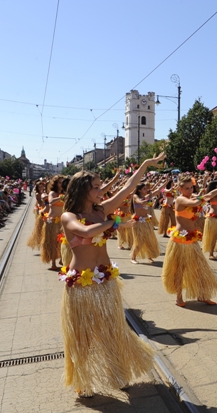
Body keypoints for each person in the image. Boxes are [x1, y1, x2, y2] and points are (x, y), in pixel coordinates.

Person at [58, 152, 165, 398]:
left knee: (111, 330)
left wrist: (146, 165)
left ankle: (115, 373)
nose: (101, 190)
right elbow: (84, 231)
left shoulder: (101, 210)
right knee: (83, 336)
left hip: (104, 282)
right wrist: (115, 224)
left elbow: (128, 189)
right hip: (81, 286)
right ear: (82, 190)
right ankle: (83, 379)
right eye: (96, 187)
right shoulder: (69, 216)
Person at [161, 175, 217, 307]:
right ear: (180, 188)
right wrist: (202, 197)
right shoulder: (180, 199)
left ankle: (202, 295)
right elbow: (195, 203)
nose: (190, 190)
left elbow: (209, 194)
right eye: (187, 188)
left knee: (200, 268)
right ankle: (178, 297)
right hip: (181, 238)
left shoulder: (192, 196)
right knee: (180, 269)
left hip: (191, 238)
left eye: (191, 187)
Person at [130, 183, 161, 263]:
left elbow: (157, 190)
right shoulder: (135, 196)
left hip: (146, 221)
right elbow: (140, 202)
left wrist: (166, 182)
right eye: (144, 189)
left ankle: (149, 256)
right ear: (139, 190)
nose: (146, 190)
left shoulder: (144, 197)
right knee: (139, 240)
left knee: (149, 239)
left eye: (146, 189)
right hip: (138, 222)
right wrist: (150, 197)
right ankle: (133, 258)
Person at [42, 175, 64, 270]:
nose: (61, 184)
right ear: (55, 184)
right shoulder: (52, 193)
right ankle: (53, 263)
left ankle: (62, 259)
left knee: (63, 241)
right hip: (52, 221)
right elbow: (51, 202)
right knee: (53, 242)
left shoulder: (64, 193)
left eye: (63, 182)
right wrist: (62, 197)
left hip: (62, 221)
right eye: (59, 182)